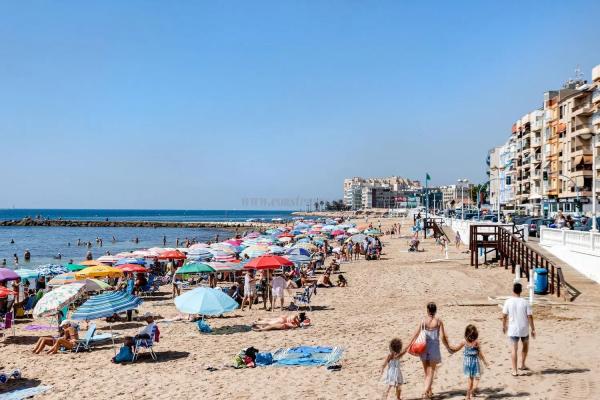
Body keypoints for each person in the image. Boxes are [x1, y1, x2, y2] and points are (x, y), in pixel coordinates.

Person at [409, 302, 450, 399]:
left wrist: (410, 344)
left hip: (424, 347)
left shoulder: (423, 321)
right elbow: (443, 336)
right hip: (434, 348)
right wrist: (448, 346)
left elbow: (416, 333)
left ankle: (429, 392)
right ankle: (425, 392)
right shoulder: (439, 321)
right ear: (435, 311)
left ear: (427, 310)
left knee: (426, 372)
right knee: (431, 372)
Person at [502, 282, 535, 376]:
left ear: (513, 290)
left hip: (513, 329)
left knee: (514, 349)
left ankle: (514, 370)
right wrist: (533, 329)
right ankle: (523, 364)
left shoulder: (508, 301)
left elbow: (504, 316)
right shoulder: (525, 302)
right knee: (525, 346)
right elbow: (530, 316)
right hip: (524, 328)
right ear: (521, 291)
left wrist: (504, 326)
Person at [448, 325, 489, 400]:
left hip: (467, 363)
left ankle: (472, 392)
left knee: (472, 379)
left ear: (466, 333)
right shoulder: (476, 342)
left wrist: (449, 347)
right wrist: (485, 361)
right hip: (474, 363)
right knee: (472, 379)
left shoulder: (464, 341)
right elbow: (480, 353)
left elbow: (456, 348)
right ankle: (468, 395)